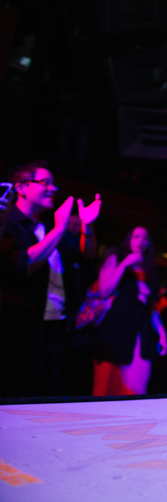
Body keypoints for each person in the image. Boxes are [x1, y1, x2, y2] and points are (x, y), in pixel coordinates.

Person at [0, 161, 101, 397]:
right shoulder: (9, 222)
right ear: (21, 188)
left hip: (54, 326)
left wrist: (87, 226)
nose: (53, 188)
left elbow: (86, 254)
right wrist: (60, 228)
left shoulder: (45, 228)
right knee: (14, 390)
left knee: (46, 391)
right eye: (45, 182)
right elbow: (23, 265)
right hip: (18, 325)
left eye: (53, 183)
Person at [91, 226, 167, 395]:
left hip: (141, 329)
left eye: (145, 238)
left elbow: (150, 306)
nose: (141, 241)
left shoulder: (149, 269)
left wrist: (162, 333)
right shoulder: (117, 258)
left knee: (138, 385)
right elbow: (105, 290)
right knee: (108, 381)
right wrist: (125, 263)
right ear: (129, 240)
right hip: (118, 327)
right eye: (136, 236)